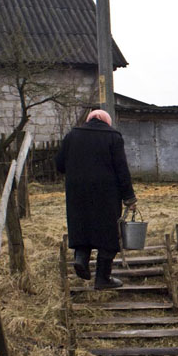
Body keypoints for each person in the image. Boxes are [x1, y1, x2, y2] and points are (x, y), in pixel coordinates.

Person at [56, 109, 136, 289]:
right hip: (106, 194)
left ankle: (81, 260)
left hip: (77, 192)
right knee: (108, 233)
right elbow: (121, 169)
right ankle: (102, 279)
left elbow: (59, 165)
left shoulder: (72, 136)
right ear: (106, 121)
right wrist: (129, 197)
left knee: (82, 225)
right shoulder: (113, 137)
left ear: (89, 119)